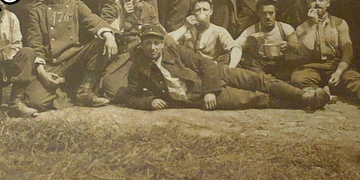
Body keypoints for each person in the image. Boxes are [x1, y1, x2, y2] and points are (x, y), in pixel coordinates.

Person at [124, 24, 329, 111]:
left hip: (214, 75)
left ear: (162, 43)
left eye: (156, 43)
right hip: (195, 95)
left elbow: (204, 63)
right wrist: (150, 101)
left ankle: (304, 95)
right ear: (141, 44)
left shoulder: (174, 50)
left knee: (258, 80)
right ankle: (306, 102)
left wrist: (210, 91)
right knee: (253, 98)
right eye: (148, 43)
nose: (152, 48)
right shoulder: (138, 67)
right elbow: (130, 96)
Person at [23, 0, 118, 110]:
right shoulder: (36, 11)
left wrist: (109, 36)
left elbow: (95, 21)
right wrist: (42, 72)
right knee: (36, 102)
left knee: (101, 40)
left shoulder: (76, 6)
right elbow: (35, 44)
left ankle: (84, 91)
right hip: (52, 65)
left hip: (75, 60)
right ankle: (66, 90)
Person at [289, 0, 360, 109]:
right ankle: (318, 95)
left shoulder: (340, 23)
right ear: (308, 4)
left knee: (352, 77)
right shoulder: (301, 28)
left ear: (328, 3)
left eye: (321, 0)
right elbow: (304, 52)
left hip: (335, 66)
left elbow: (347, 52)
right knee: (298, 78)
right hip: (311, 68)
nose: (317, 3)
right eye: (313, 0)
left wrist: (338, 72)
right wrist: (313, 26)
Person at [99, 0, 161, 101]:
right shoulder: (113, 4)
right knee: (112, 89)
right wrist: (123, 16)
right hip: (124, 56)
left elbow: (157, 31)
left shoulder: (148, 8)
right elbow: (105, 30)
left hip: (146, 54)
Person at [234, 0, 298, 81]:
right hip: (260, 64)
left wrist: (289, 45)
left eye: (271, 13)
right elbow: (234, 46)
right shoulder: (251, 30)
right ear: (258, 14)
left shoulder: (285, 28)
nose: (268, 17)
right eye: (264, 13)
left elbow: (298, 48)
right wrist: (249, 41)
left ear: (276, 12)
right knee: (255, 74)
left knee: (289, 74)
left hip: (280, 64)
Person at [169, 0, 242, 68]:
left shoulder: (218, 31)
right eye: (198, 10)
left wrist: (231, 67)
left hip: (210, 70)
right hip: (190, 68)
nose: (201, 12)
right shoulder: (186, 30)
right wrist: (185, 27)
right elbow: (167, 42)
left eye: (205, 9)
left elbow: (236, 48)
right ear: (192, 12)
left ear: (211, 11)